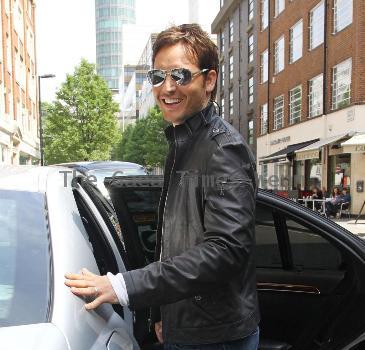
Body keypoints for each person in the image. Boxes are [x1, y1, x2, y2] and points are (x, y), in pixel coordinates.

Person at [65, 24, 259, 349]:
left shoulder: (223, 149)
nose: (167, 88)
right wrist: (159, 313)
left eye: (180, 75)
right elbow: (169, 242)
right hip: (186, 325)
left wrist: (124, 286)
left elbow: (226, 251)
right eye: (158, 77)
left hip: (216, 336)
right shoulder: (183, 141)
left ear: (209, 81)